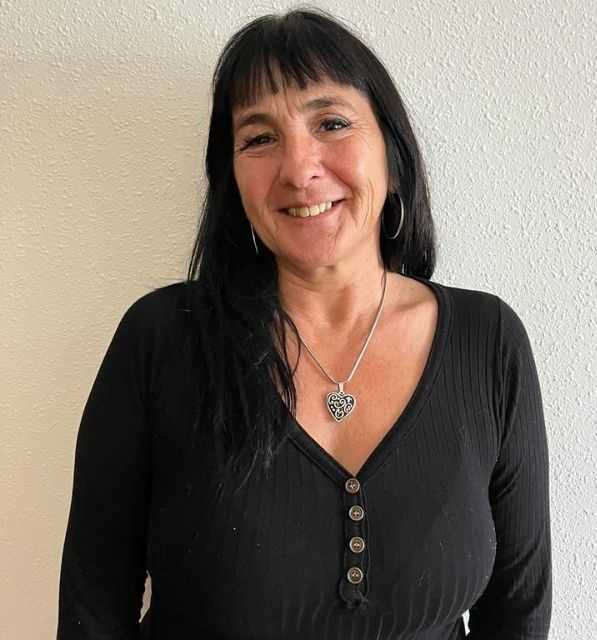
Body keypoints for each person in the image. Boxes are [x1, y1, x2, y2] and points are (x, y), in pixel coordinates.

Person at [57, 7, 552, 639]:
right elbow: (93, 609)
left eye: (332, 123)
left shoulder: (489, 342)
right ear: (231, 178)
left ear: (393, 152)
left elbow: (518, 612)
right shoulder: (161, 339)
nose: (298, 168)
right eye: (259, 138)